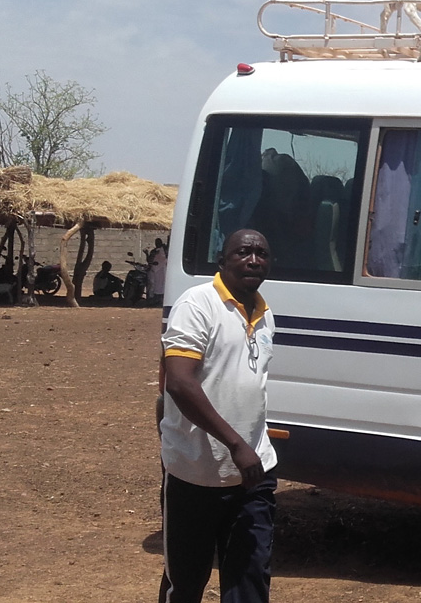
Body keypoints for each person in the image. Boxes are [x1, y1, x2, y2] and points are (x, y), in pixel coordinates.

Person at [158, 229, 277, 603]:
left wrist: (251, 448)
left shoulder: (265, 313)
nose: (253, 260)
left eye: (261, 253)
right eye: (243, 252)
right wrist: (235, 444)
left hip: (253, 474)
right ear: (222, 260)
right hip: (195, 474)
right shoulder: (197, 304)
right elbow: (178, 383)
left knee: (250, 581)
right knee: (186, 583)